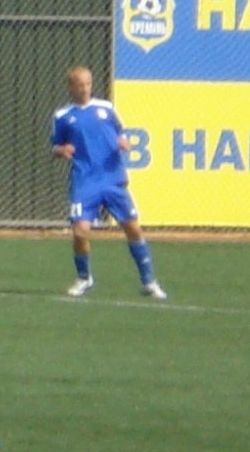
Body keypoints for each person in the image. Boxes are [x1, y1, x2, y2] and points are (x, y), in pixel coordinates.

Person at [51, 67, 165, 300]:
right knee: (80, 232)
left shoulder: (106, 108)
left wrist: (122, 141)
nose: (85, 88)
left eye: (88, 84)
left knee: (133, 228)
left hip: (112, 178)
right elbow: (55, 146)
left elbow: (120, 131)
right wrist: (62, 150)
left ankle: (149, 281)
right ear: (71, 87)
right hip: (85, 181)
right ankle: (84, 278)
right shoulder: (63, 115)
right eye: (80, 84)